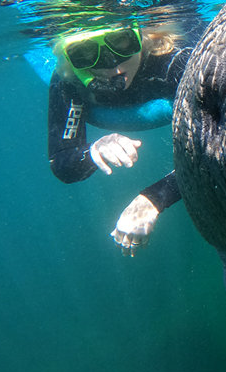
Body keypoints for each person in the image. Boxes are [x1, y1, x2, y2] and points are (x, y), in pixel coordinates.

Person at [48, 24, 191, 254]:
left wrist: (154, 199)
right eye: (84, 53)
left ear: (142, 38)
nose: (111, 64)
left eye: (122, 42)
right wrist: (93, 151)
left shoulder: (175, 60)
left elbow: (220, 144)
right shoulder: (69, 81)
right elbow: (62, 163)